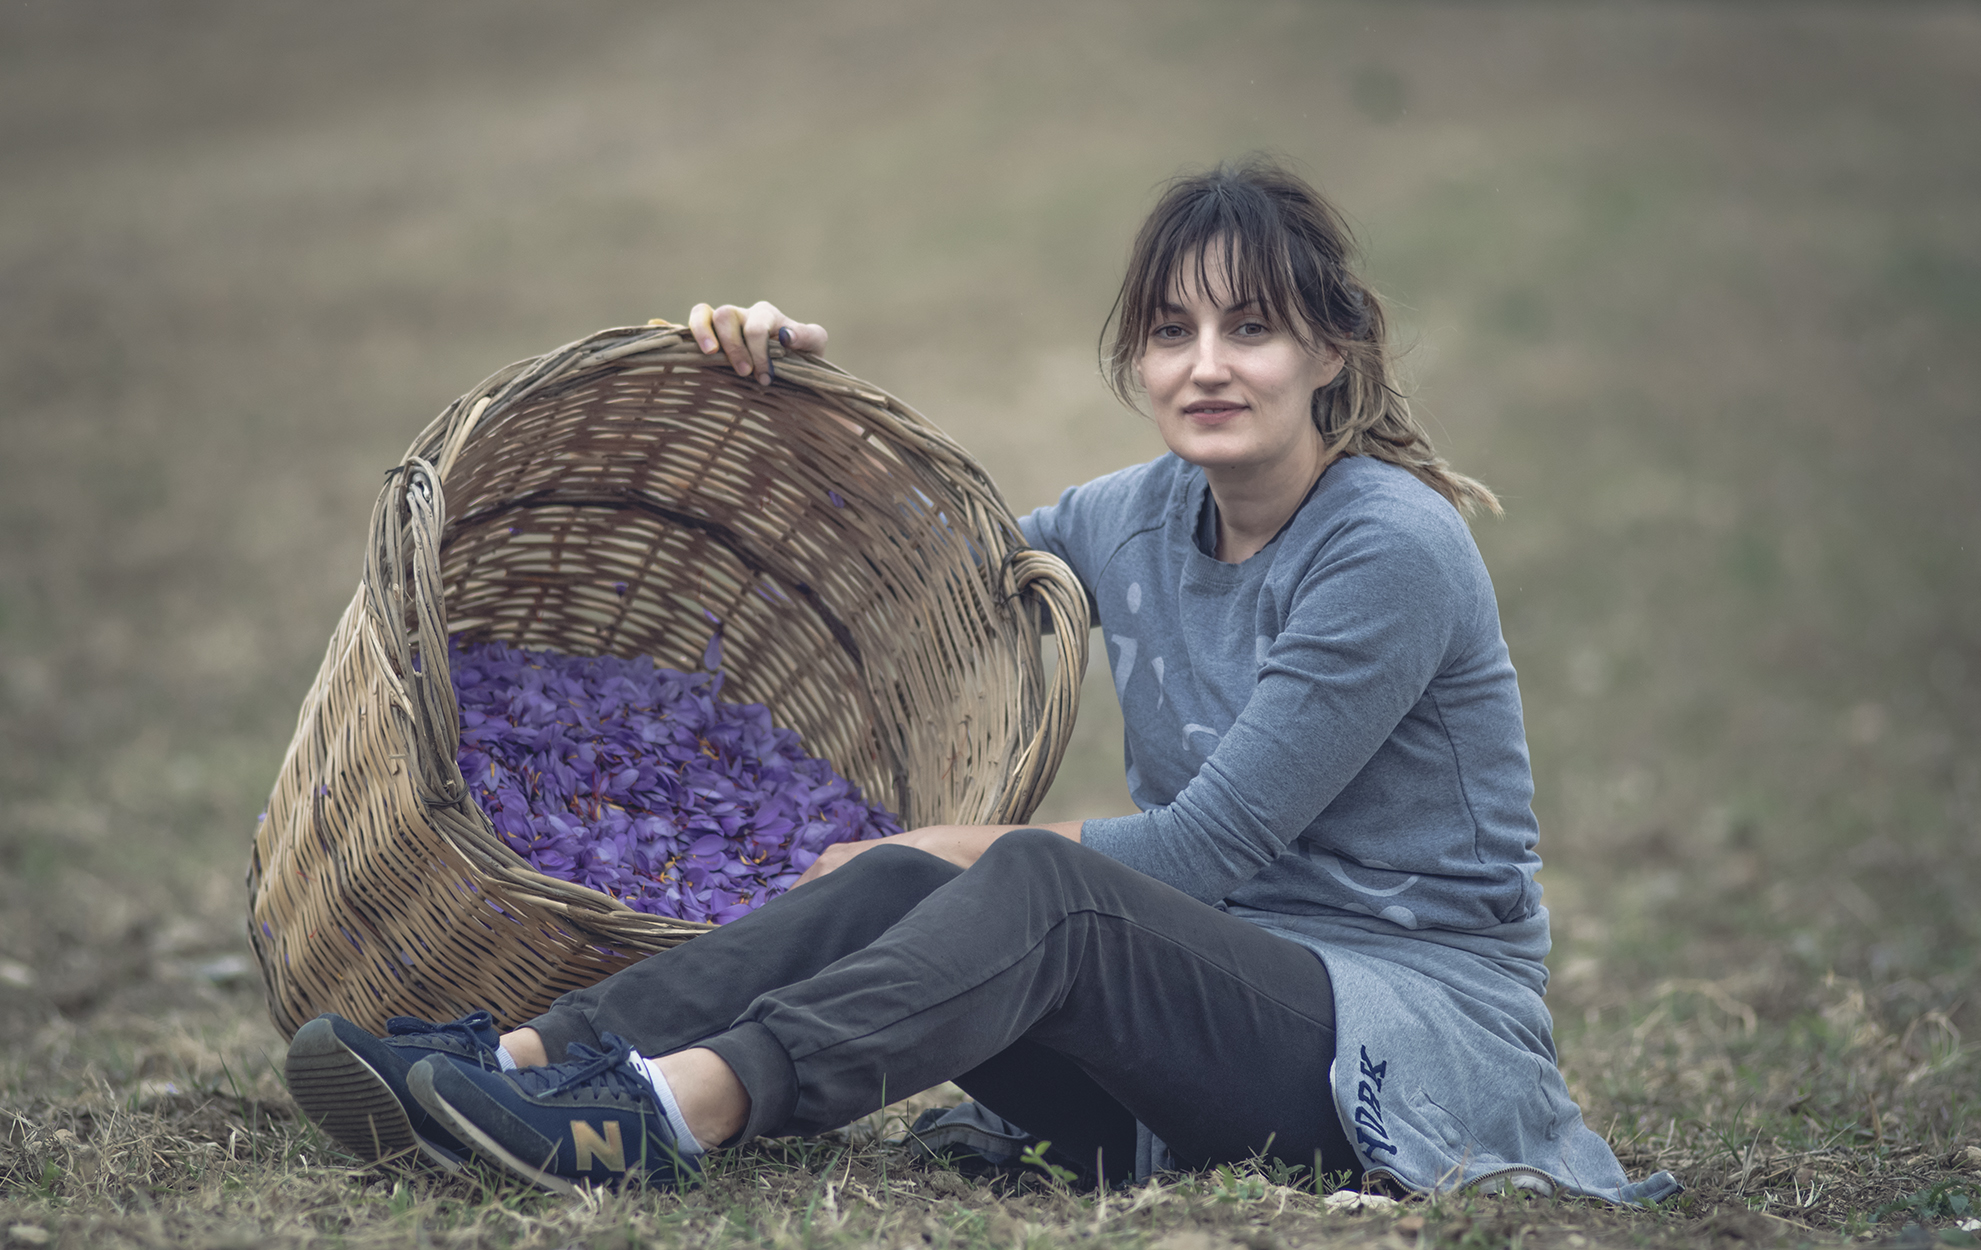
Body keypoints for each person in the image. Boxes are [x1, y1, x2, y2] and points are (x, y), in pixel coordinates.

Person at [284, 158, 1678, 1203]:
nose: (1206, 366)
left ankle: (663, 1113)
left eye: (1250, 330)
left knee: (1029, 884)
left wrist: (929, 839)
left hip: (1399, 1046)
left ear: (1332, 348)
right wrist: (768, 388)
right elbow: (907, 567)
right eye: (1170, 333)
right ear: (1132, 354)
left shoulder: (1391, 548)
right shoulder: (1136, 516)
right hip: (1184, 1054)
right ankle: (517, 1067)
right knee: (905, 888)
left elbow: (1199, 858)